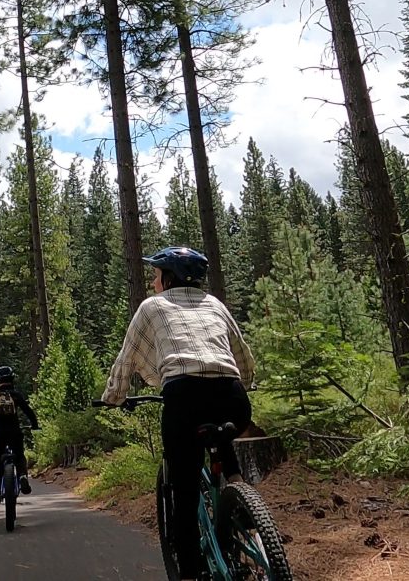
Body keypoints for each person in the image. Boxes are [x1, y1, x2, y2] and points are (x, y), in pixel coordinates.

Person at [100, 246, 256, 581]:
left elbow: (126, 358)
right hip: (233, 397)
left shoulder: (152, 306)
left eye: (156, 275)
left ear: (168, 277)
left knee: (183, 495)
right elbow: (242, 355)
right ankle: (244, 504)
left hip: (184, 396)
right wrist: (245, 383)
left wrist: (114, 397)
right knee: (220, 433)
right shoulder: (215, 304)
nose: (153, 282)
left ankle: (187, 573)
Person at [0, 365, 39, 501]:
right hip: (14, 432)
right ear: (12, 379)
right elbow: (29, 412)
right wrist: (34, 425)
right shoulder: (16, 395)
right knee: (19, 456)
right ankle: (23, 476)